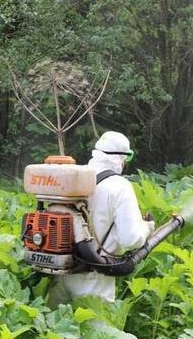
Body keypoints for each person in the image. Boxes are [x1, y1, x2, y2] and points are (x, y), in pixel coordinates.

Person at [48, 131, 154, 307]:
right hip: (94, 279)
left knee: (55, 329)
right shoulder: (119, 186)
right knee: (98, 334)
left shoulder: (73, 177)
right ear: (123, 158)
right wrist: (148, 228)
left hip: (60, 273)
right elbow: (131, 239)